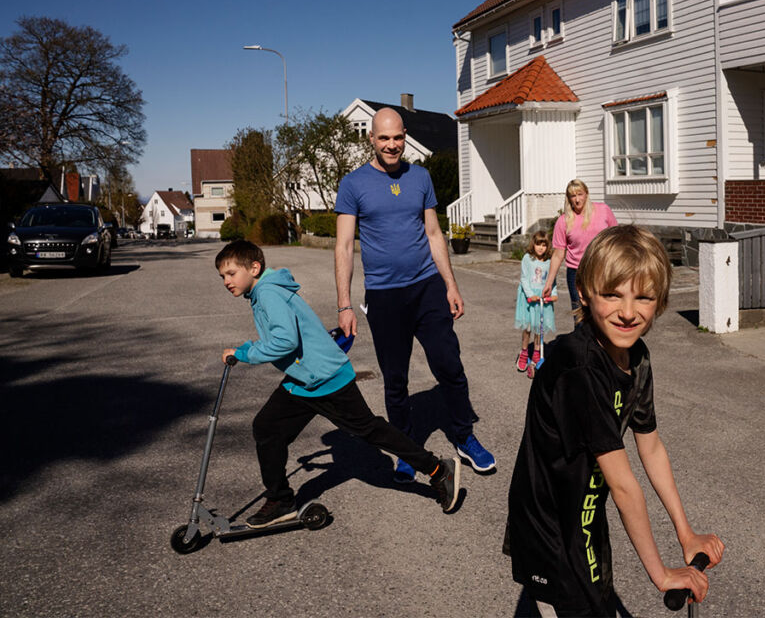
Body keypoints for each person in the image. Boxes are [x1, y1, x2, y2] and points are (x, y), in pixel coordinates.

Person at [505, 225, 725, 617]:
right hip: (549, 532)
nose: (627, 312)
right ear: (585, 293)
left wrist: (685, 533)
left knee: (599, 603)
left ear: (659, 302)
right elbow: (624, 486)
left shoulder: (636, 359)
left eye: (643, 297)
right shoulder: (580, 368)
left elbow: (652, 448)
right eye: (612, 295)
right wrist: (662, 575)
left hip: (586, 514)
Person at [216, 240, 461, 526]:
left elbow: (285, 340)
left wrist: (245, 352)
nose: (226, 281)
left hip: (325, 378)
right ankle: (281, 500)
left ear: (254, 268)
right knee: (267, 428)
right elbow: (282, 336)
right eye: (222, 276)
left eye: (231, 273)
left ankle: (438, 469)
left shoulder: (268, 292)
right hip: (302, 379)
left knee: (370, 430)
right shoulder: (263, 292)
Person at [334, 107, 495, 483]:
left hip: (427, 288)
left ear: (405, 135)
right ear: (371, 139)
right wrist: (344, 304)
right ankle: (406, 446)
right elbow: (343, 247)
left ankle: (464, 436)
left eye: (397, 137)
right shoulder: (353, 184)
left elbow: (435, 234)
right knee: (395, 378)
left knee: (449, 365)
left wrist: (451, 285)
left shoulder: (420, 177)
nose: (392, 145)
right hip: (385, 295)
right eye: (384, 138)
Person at [542, 179, 618, 314]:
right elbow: (559, 254)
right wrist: (549, 282)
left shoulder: (603, 210)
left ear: (586, 194)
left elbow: (616, 239)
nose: (577, 199)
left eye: (580, 194)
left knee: (603, 314)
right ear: (568, 199)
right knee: (580, 316)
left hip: (602, 270)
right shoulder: (563, 221)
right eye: (573, 196)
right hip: (576, 273)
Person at [514, 230, 557, 372]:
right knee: (527, 327)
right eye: (538, 244)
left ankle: (537, 353)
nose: (541, 248)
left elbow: (552, 280)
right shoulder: (528, 258)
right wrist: (530, 294)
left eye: (544, 245)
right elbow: (524, 278)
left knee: (539, 328)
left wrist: (554, 293)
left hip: (542, 298)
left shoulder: (550, 262)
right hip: (529, 298)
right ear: (534, 244)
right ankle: (524, 351)